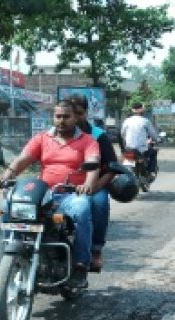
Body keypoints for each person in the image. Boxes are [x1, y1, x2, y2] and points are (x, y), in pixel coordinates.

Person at [0, 100, 101, 288]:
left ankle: (80, 265)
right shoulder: (42, 138)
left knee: (82, 207)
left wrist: (87, 184)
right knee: (7, 205)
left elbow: (93, 164)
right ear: (53, 117)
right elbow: (23, 159)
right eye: (58, 116)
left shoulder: (88, 141)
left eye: (66, 117)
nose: (62, 121)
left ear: (75, 118)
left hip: (70, 195)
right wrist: (8, 174)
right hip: (43, 193)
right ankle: (12, 254)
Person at [67, 93, 118, 273]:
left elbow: (112, 168)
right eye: (68, 114)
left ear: (86, 113)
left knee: (99, 203)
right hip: (63, 185)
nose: (74, 118)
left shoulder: (97, 136)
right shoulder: (53, 135)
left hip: (93, 185)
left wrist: (93, 187)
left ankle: (95, 250)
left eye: (78, 113)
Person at [120, 101, 159, 178]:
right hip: (141, 149)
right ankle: (151, 172)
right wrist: (156, 140)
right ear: (142, 110)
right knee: (154, 151)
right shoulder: (145, 121)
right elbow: (153, 135)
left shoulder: (127, 121)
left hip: (129, 149)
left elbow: (122, 134)